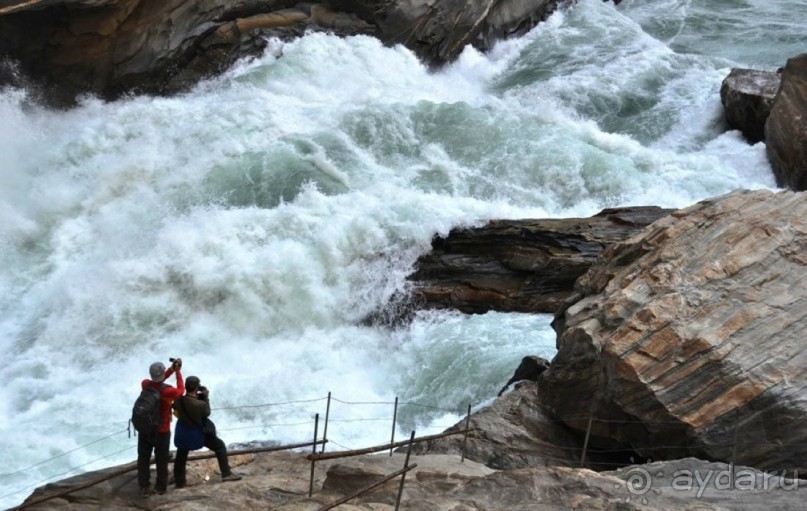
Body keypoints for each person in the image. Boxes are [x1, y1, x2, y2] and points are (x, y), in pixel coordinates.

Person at [172, 375, 242, 487]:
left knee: (181, 454)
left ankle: (179, 482)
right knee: (219, 445)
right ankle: (226, 474)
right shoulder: (200, 404)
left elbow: (177, 405)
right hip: (196, 434)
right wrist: (205, 397)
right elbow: (206, 412)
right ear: (196, 388)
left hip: (182, 433)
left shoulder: (178, 399)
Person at [137, 358, 184, 496]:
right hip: (161, 430)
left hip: (145, 428)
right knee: (161, 459)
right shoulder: (168, 392)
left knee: (143, 457)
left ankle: (144, 486)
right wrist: (178, 372)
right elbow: (181, 390)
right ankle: (160, 487)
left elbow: (157, 382)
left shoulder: (145, 384)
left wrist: (171, 369)